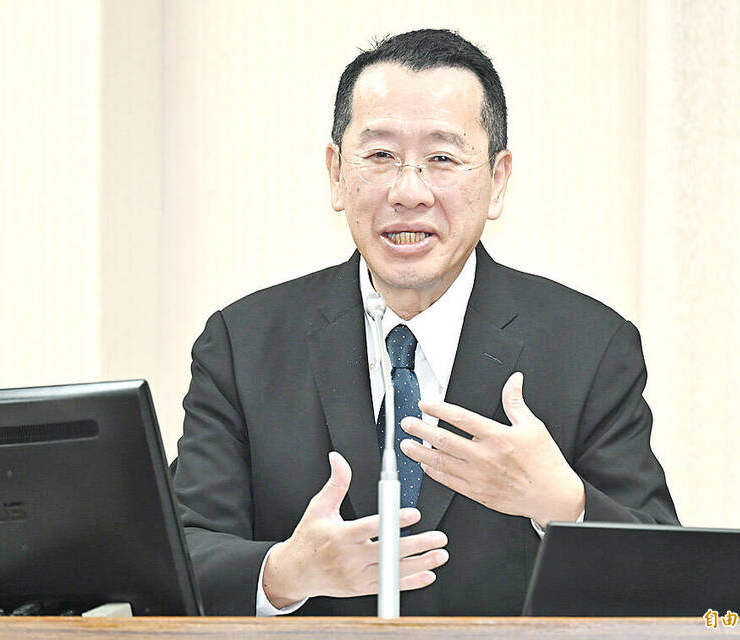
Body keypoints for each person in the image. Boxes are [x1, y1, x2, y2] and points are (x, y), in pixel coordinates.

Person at [173, 28, 678, 617]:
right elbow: (181, 555)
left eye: (442, 158)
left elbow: (666, 579)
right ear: (337, 173)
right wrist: (286, 573)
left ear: (498, 180)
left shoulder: (590, 348)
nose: (408, 192)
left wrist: (566, 506)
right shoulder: (243, 343)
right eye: (381, 156)